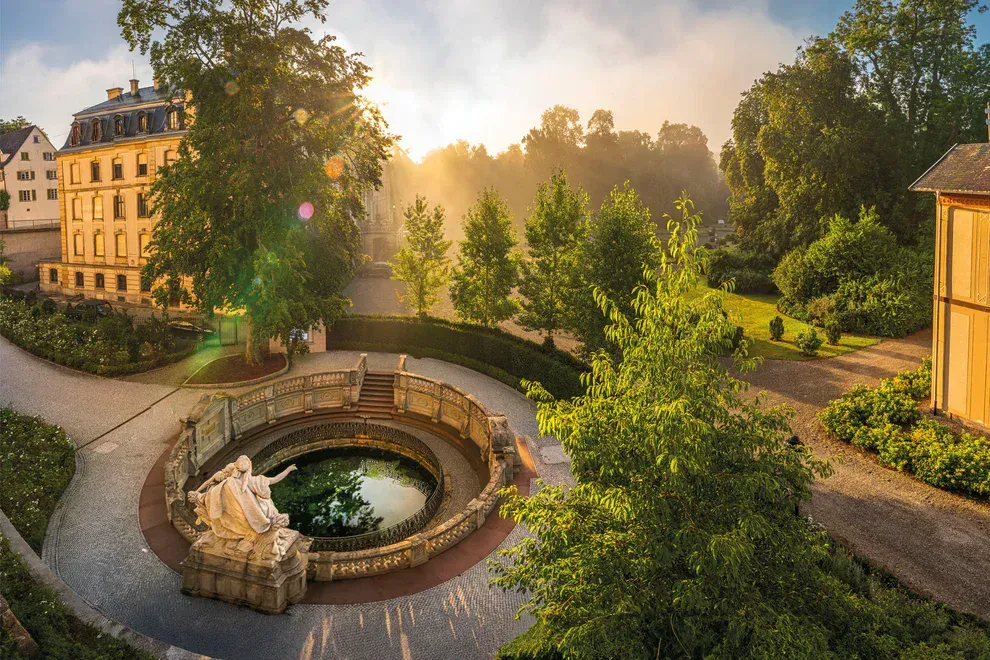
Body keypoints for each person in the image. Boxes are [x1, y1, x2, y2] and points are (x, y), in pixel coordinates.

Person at [188, 455, 297, 558]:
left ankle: (247, 536)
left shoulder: (225, 485)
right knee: (267, 509)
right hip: (250, 521)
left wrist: (198, 494)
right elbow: (275, 479)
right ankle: (252, 536)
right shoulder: (253, 481)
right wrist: (288, 470)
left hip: (233, 521)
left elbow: (210, 491)